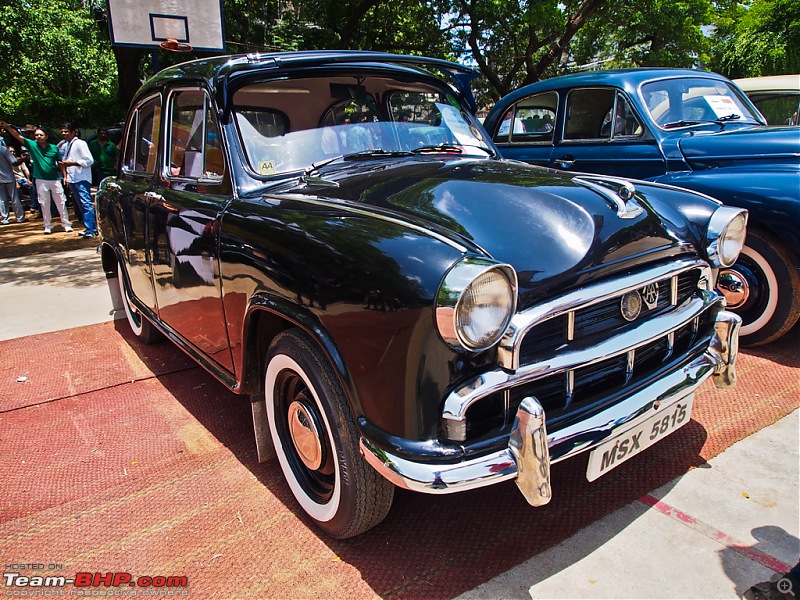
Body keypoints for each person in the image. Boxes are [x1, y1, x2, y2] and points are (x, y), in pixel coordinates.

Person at [0, 121, 72, 234]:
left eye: (41, 135)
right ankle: (47, 225)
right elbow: (18, 136)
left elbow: (60, 163)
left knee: (61, 202)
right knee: (44, 203)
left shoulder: (53, 148)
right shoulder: (33, 145)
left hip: (55, 179)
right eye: (37, 135)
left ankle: (66, 224)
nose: (38, 137)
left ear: (46, 136)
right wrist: (8, 127)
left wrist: (64, 176)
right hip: (41, 180)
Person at [60, 122, 97, 238]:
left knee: (86, 203)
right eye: (62, 131)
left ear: (73, 132)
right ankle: (88, 227)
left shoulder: (80, 143)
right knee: (80, 204)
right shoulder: (65, 145)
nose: (64, 134)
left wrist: (73, 163)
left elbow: (89, 161)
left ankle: (92, 228)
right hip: (72, 178)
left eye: (66, 131)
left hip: (81, 177)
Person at [0, 138, 26, 224]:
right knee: (14, 197)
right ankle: (20, 217)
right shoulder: (3, 150)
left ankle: (4, 219)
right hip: (9, 177)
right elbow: (14, 162)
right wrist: (23, 159)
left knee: (2, 199)